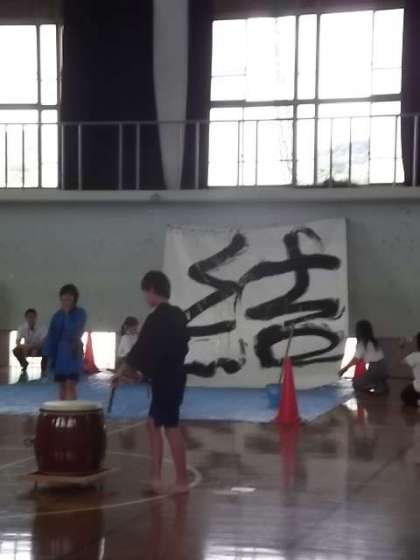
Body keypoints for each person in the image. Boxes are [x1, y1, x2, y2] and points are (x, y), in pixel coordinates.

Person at [113, 271, 190, 494]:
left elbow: (142, 349)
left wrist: (123, 372)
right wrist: (139, 375)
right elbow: (165, 351)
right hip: (174, 376)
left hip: (166, 379)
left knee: (170, 428)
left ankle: (181, 480)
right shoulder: (178, 315)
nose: (145, 297)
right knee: (154, 424)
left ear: (153, 290)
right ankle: (155, 476)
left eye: (146, 292)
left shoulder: (156, 318)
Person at [43, 284, 87, 401]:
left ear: (74, 300)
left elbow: (77, 330)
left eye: (69, 299)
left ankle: (72, 410)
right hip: (59, 354)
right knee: (61, 385)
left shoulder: (80, 313)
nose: (66, 302)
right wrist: (48, 356)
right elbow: (51, 336)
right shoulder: (57, 316)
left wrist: (67, 314)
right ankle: (62, 409)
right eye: (64, 300)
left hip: (73, 351)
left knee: (70, 384)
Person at [338, 320, 388, 394]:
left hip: (375, 369)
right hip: (384, 369)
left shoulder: (362, 344)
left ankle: (375, 384)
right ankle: (380, 382)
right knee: (366, 378)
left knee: (356, 383)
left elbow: (355, 359)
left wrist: (344, 369)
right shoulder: (374, 342)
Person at [13, 309, 47, 380]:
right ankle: (24, 364)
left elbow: (44, 342)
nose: (31, 319)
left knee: (47, 350)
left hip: (39, 347)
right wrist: (23, 347)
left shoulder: (42, 327)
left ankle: (44, 369)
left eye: (33, 317)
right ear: (26, 318)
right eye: (29, 317)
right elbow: (17, 342)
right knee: (16, 350)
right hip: (27, 348)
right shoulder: (22, 327)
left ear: (36, 317)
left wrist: (34, 347)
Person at [401, 333, 420, 407]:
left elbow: (400, 363)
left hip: (418, 387)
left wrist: (402, 346)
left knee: (404, 395)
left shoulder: (414, 356)